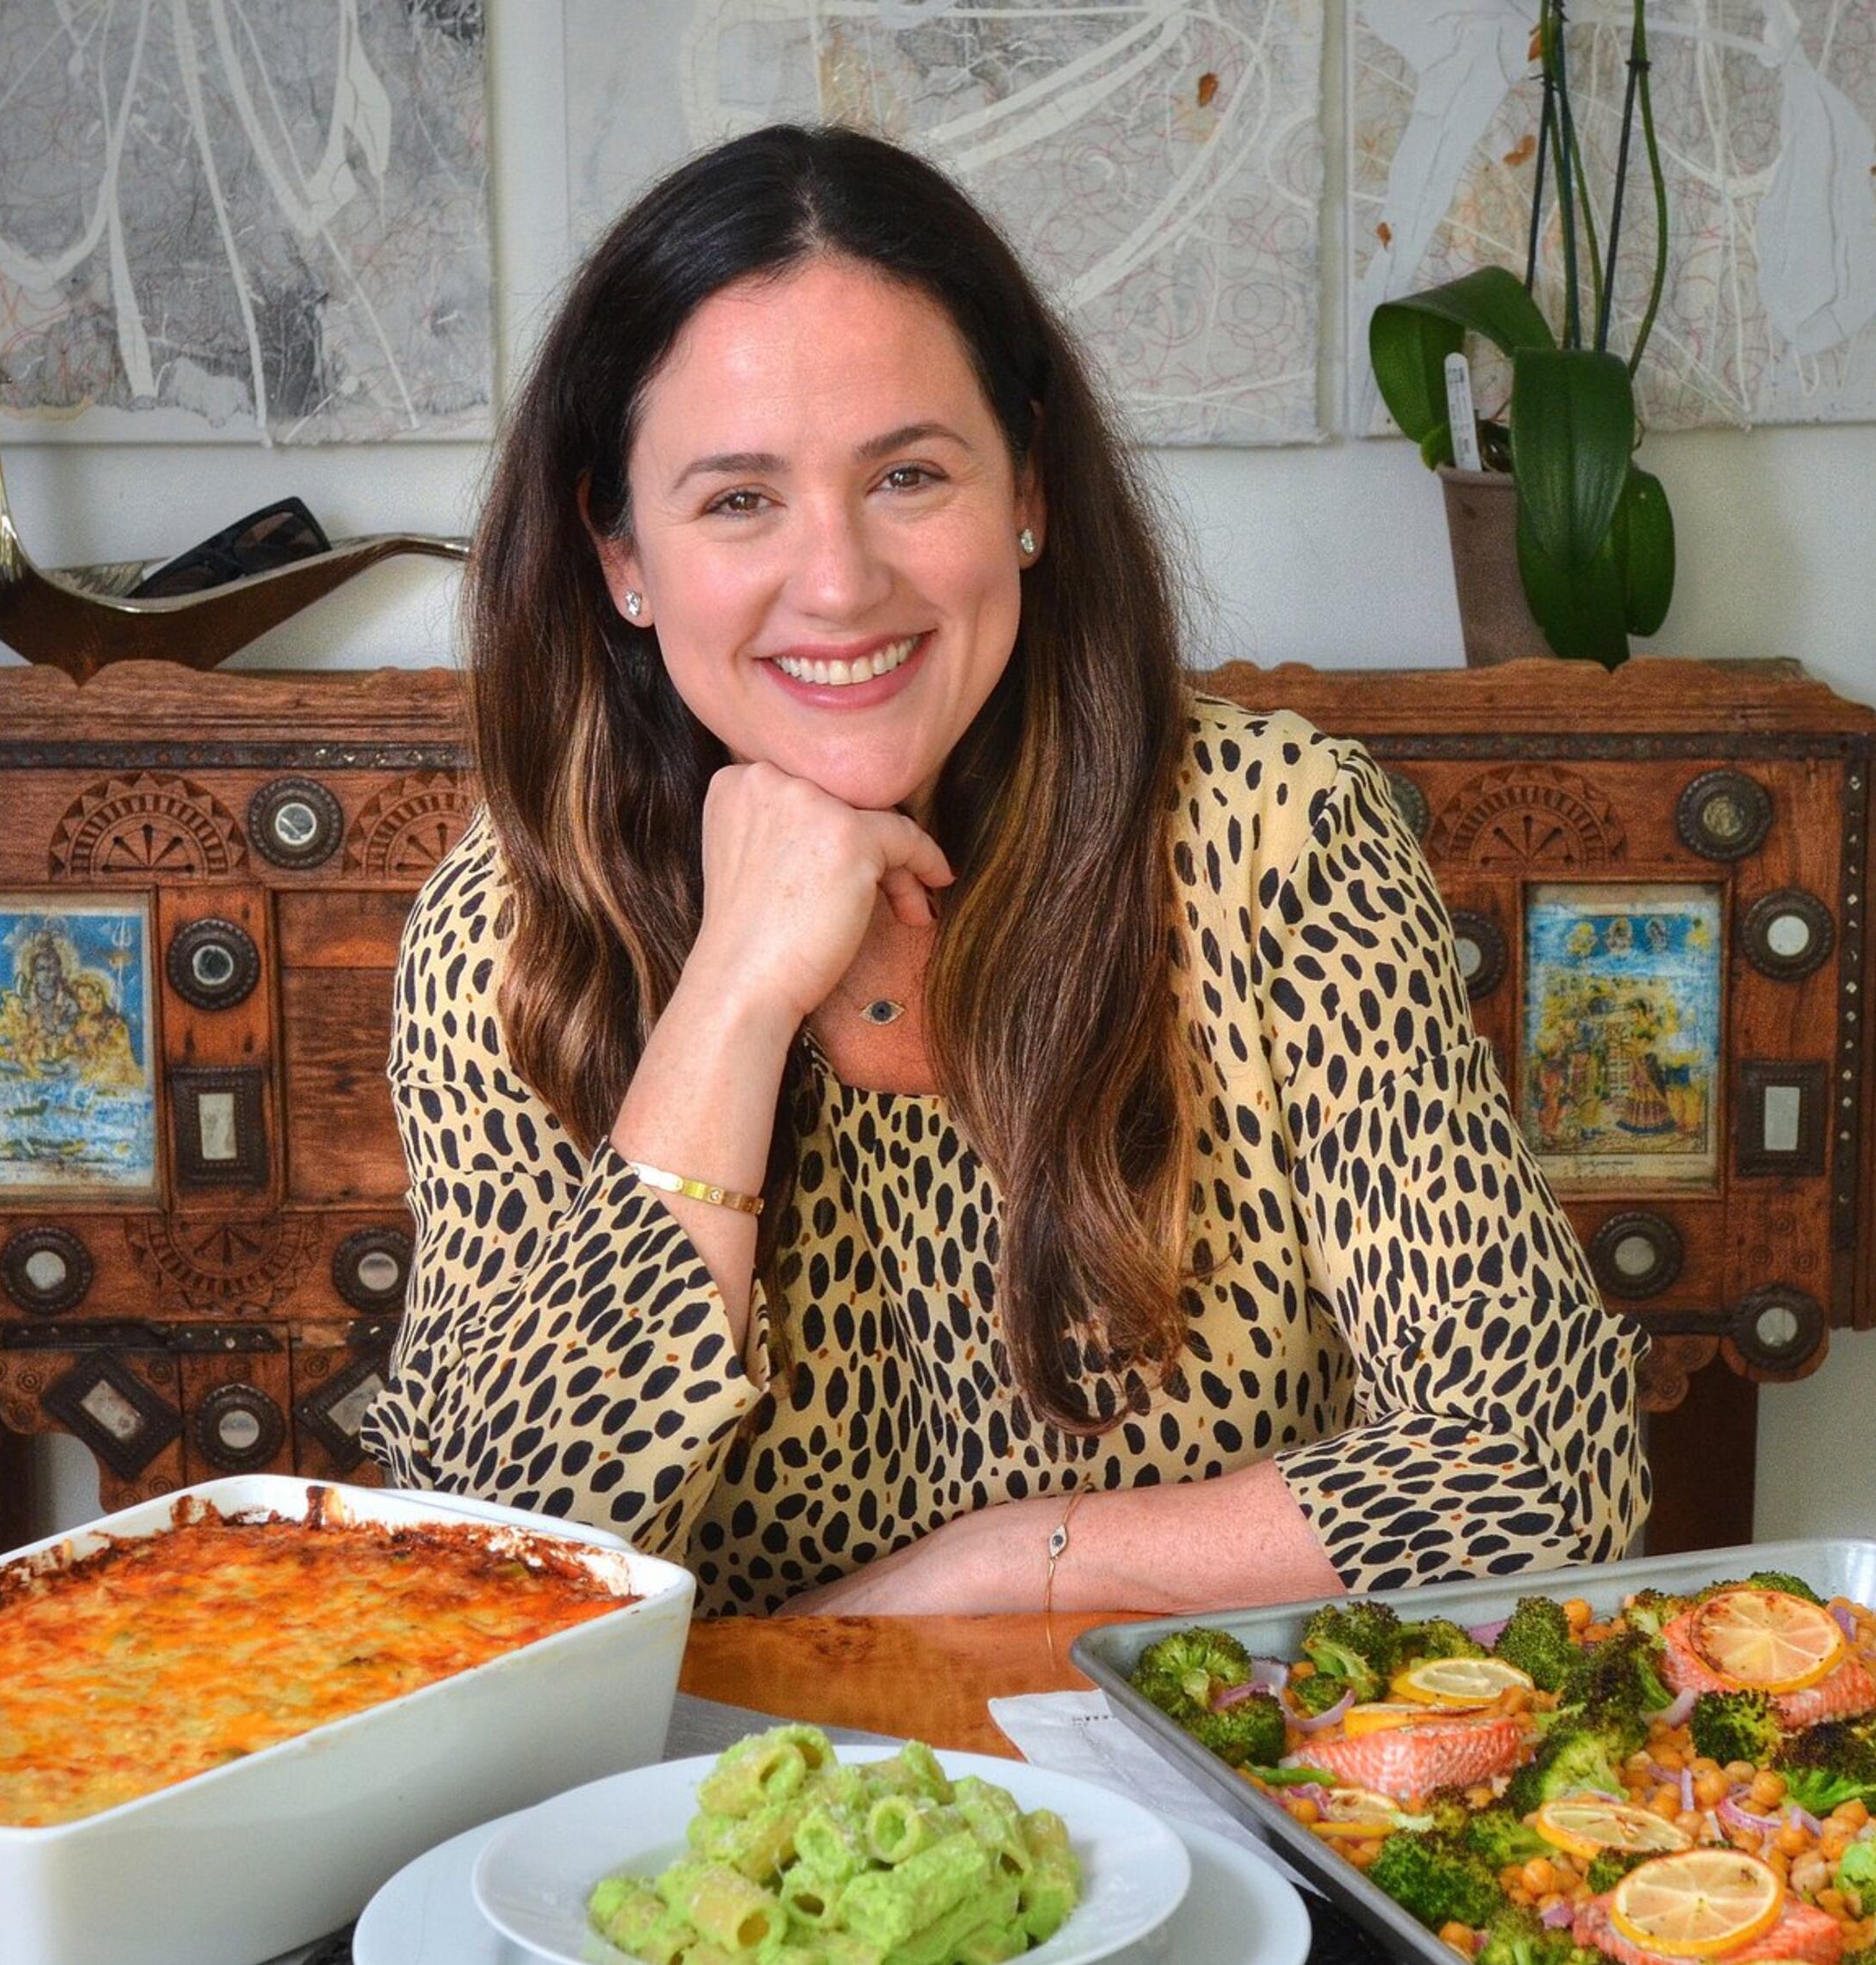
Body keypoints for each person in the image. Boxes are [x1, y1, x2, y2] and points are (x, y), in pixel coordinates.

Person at [362, 124, 1648, 1618]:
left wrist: (1001, 1571)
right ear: (620, 553)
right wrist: (732, 996)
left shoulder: (1272, 837)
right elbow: (485, 1580)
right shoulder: (515, 929)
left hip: (1196, 1797)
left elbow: (1547, 1465)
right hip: (695, 1830)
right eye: (737, 499)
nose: (839, 581)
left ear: (1026, 490)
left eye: (908, 473)